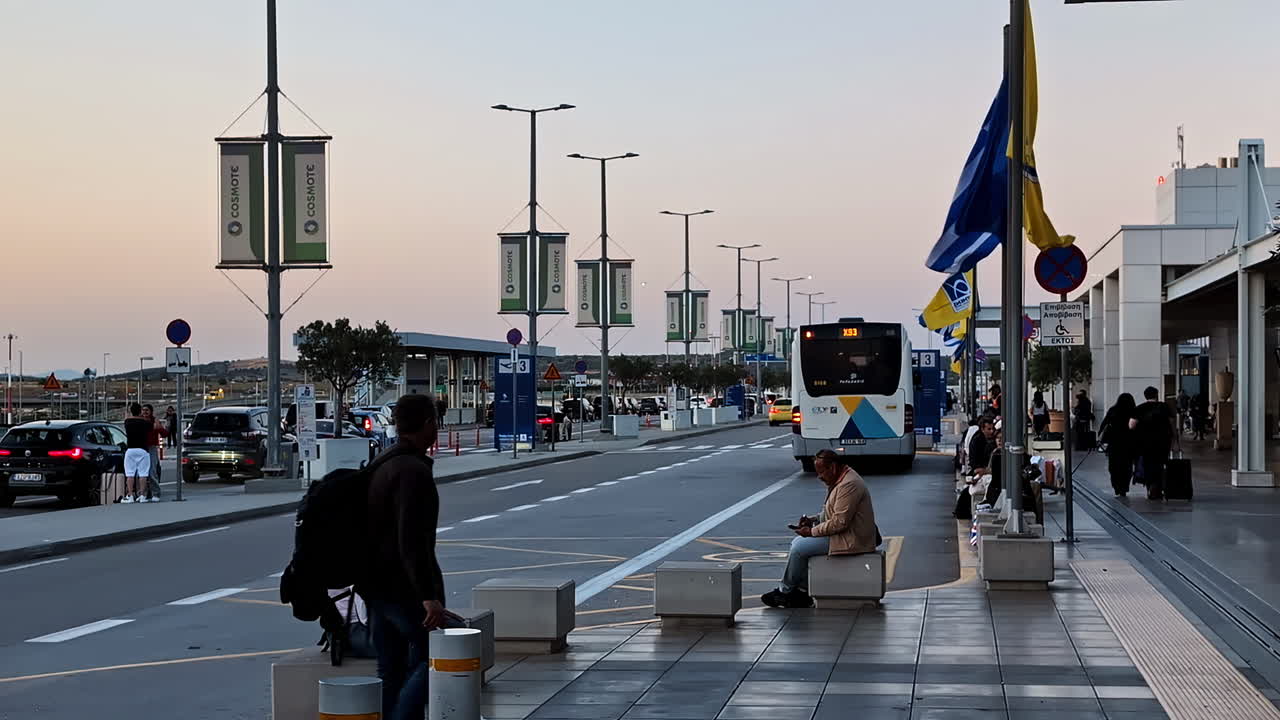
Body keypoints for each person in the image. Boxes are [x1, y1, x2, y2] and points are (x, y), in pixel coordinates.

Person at [357, 394, 456, 720]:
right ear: (429, 423)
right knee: (437, 657)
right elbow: (411, 540)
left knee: (391, 669)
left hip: (374, 585)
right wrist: (428, 597)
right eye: (434, 422)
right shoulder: (412, 471)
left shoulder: (383, 462)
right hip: (402, 588)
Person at [761, 449, 879, 609]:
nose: (819, 476)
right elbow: (832, 512)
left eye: (822, 471)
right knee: (800, 544)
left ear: (834, 467)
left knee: (799, 547)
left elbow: (839, 522)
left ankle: (785, 591)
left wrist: (811, 532)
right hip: (845, 534)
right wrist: (813, 519)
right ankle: (801, 591)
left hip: (852, 538)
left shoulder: (848, 485)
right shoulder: (841, 479)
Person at [1131, 386, 1176, 501]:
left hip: (1145, 442)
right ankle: (1158, 488)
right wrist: (1174, 437)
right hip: (1163, 441)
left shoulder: (1140, 408)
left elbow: (1132, 425)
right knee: (1160, 464)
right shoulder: (1164, 407)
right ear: (1156, 395)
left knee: (1148, 464)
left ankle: (1150, 487)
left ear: (1145, 396)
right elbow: (1171, 422)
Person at [1099, 393, 1137, 497]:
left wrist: (1100, 436)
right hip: (1128, 443)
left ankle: (1116, 486)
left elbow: (1104, 423)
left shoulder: (1113, 410)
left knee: (1114, 466)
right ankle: (1124, 487)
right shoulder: (1133, 411)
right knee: (1127, 466)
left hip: (1114, 443)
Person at [121, 403, 152, 504]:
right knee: (143, 474)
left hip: (130, 450)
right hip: (143, 450)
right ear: (140, 411)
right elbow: (151, 427)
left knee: (129, 474)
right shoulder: (145, 422)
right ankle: (142, 495)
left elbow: (126, 418)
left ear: (131, 411)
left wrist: (127, 412)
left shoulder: (127, 422)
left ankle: (130, 496)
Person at [141, 404, 168, 502]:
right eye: (143, 410)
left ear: (151, 411)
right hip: (141, 448)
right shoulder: (139, 421)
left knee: (152, 471)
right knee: (142, 472)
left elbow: (165, 434)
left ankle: (155, 493)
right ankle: (143, 493)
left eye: (147, 410)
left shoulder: (155, 421)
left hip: (151, 448)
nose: (145, 412)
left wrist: (159, 428)